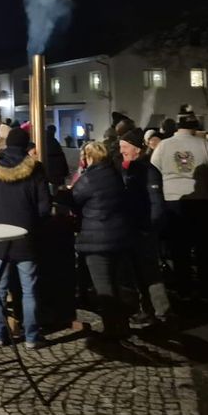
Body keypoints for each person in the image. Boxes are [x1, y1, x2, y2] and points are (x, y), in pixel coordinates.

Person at [0, 127, 51, 350]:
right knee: (29, 289)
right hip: (26, 235)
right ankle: (31, 336)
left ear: (7, 143)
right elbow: (44, 207)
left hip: (0, 236)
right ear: (26, 145)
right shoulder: (35, 168)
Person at [150, 106, 208, 302]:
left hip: (173, 199)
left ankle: (184, 287)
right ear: (194, 126)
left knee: (180, 247)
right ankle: (206, 287)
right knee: (203, 246)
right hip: (202, 200)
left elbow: (154, 168)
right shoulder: (204, 145)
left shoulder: (164, 145)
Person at [72, 141, 135, 339]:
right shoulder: (115, 175)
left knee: (104, 287)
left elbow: (74, 198)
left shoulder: (89, 179)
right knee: (116, 283)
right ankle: (123, 324)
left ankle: (111, 330)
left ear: (89, 158)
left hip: (96, 239)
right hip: (119, 236)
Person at [119, 128, 173, 330]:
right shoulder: (129, 169)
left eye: (125, 147)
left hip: (143, 229)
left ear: (137, 149)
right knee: (137, 273)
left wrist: (150, 227)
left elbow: (156, 203)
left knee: (150, 272)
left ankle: (162, 312)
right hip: (132, 228)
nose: (122, 150)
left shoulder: (148, 171)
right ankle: (147, 310)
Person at [44, 124, 70, 191]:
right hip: (57, 168)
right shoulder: (54, 142)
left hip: (49, 167)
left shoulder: (44, 140)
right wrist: (65, 171)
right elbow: (61, 156)